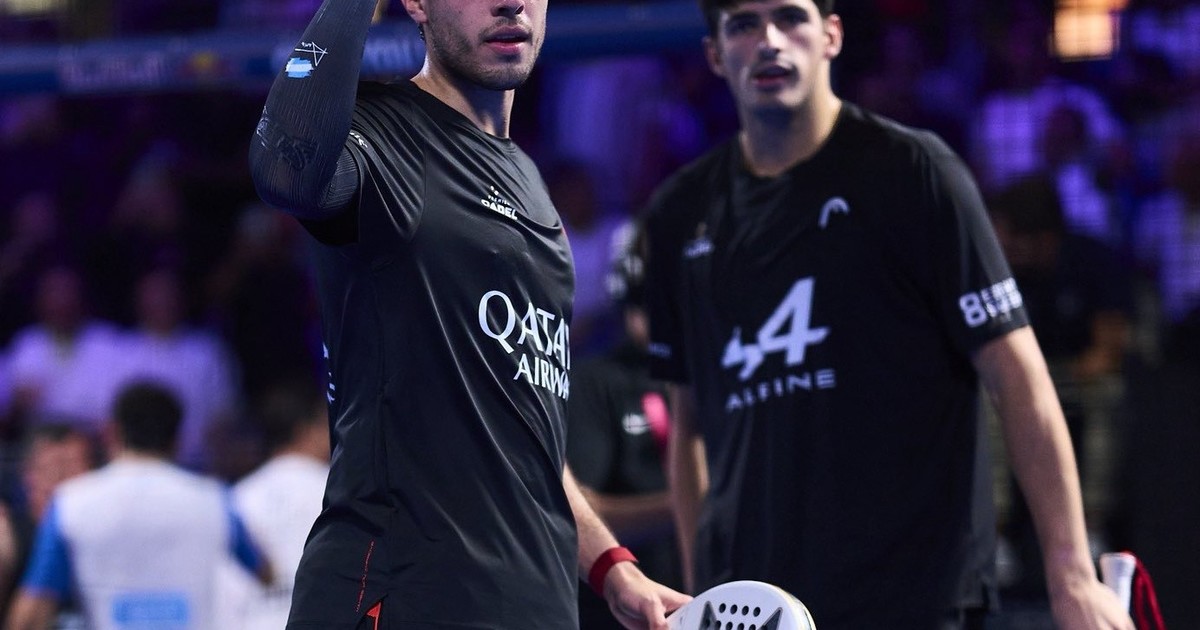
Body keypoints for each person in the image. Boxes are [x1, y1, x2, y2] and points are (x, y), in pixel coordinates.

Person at [640, 1, 1133, 629]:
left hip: (914, 597)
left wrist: (1071, 574)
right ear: (714, 53)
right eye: (743, 24)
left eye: (790, 17)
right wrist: (699, 603)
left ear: (832, 35)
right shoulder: (677, 213)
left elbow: (1018, 376)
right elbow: (687, 425)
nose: (769, 40)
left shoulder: (917, 172)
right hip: (755, 605)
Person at [247, 0, 690, 628]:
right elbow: (285, 170)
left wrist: (611, 568)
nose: (510, 2)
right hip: (403, 594)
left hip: (536, 606)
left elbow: (528, 435)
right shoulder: (381, 134)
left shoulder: (530, 181)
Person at [3, 381, 270, 630]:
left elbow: (31, 615)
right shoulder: (213, 499)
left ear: (112, 433)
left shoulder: (70, 503)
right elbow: (266, 574)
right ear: (178, 439)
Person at [567, 221, 684, 628]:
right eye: (642, 301)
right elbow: (581, 506)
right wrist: (694, 503)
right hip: (623, 610)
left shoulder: (711, 376)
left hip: (703, 593)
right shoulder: (594, 381)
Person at [215, 380, 330, 630]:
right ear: (306, 430)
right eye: (327, 424)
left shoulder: (238, 497)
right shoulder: (336, 493)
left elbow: (224, 592)